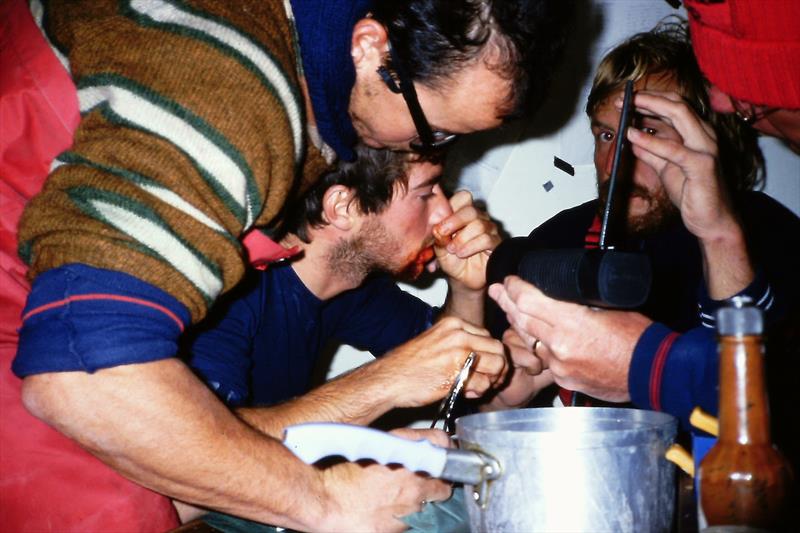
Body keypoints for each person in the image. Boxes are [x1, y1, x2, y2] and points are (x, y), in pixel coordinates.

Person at [0, 0, 571, 531]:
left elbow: (461, 379)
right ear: (370, 48)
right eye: (435, 131)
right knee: (118, 509)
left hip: (47, 295)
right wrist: (324, 498)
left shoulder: (313, 102)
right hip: (37, 318)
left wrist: (471, 296)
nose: (433, 152)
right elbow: (87, 375)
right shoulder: (233, 95)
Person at [488, 0, 800, 457]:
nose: (617, 164)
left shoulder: (767, 234)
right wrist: (499, 397)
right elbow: (482, 425)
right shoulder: (556, 242)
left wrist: (719, 238)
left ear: (706, 138)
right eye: (607, 135)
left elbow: (771, 411)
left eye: (647, 133)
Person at [188, 145, 502, 419]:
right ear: (344, 208)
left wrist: (467, 287)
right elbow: (204, 447)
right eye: (425, 195)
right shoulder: (226, 293)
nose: (445, 211)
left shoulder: (351, 284)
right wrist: (388, 380)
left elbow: (454, 372)